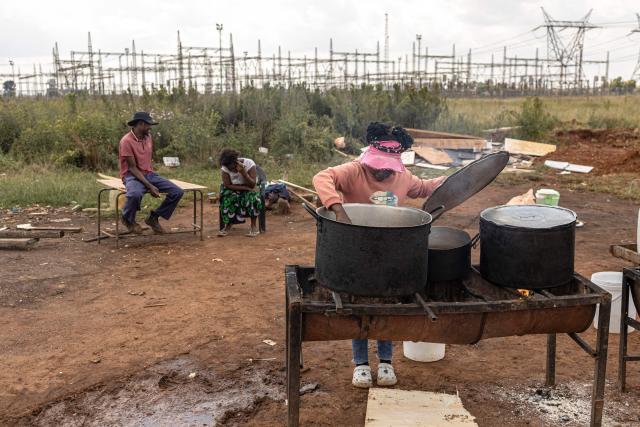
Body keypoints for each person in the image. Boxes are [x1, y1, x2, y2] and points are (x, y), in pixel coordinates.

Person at [312, 122, 447, 389]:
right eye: (378, 165)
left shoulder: (403, 177)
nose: (382, 170)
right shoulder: (354, 171)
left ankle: (386, 362)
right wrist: (338, 209)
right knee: (359, 308)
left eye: (388, 166)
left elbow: (422, 188)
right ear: (369, 158)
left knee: (387, 307)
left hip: (391, 253)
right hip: (355, 250)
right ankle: (361, 365)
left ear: (396, 163)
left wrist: (452, 181)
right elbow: (322, 178)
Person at [119, 111, 184, 235]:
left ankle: (153, 218)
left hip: (149, 174)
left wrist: (150, 180)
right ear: (141, 124)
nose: (150, 128)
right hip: (132, 176)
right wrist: (149, 186)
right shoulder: (126, 141)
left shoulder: (148, 137)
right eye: (149, 125)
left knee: (177, 192)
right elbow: (132, 168)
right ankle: (128, 219)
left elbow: (146, 161)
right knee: (134, 194)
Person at [218, 148, 263, 237]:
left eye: (230, 166)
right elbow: (228, 185)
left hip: (249, 189)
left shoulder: (249, 164)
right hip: (234, 189)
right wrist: (244, 188)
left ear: (235, 161)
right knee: (228, 198)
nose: (229, 169)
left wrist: (243, 173)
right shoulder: (225, 167)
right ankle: (228, 225)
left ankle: (253, 226)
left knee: (252, 197)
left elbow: (253, 184)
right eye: (227, 167)